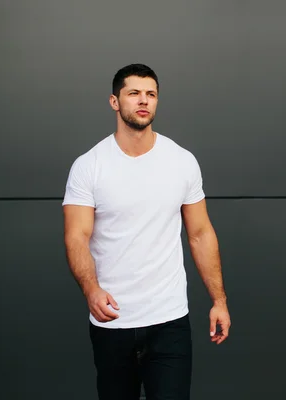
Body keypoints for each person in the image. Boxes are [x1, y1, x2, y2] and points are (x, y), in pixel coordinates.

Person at [62, 63, 231, 400]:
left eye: (151, 94)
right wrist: (91, 289)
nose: (144, 100)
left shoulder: (181, 161)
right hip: (112, 323)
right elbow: (76, 236)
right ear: (114, 101)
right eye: (134, 93)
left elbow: (200, 233)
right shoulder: (89, 166)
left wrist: (219, 300)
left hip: (169, 322)